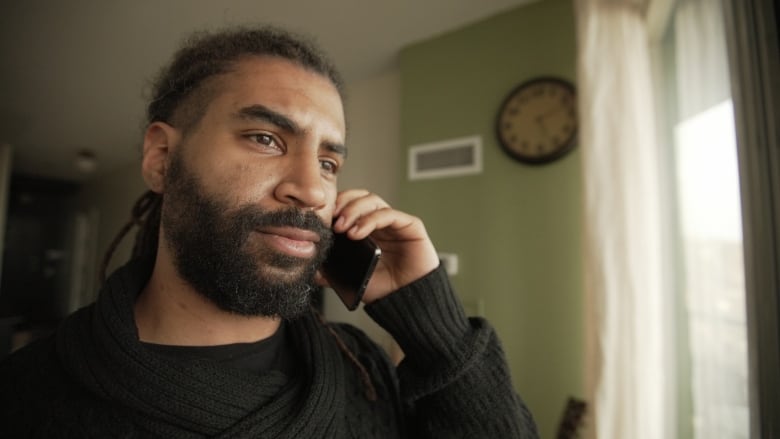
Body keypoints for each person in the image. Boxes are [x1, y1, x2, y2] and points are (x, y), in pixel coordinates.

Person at [0, 26, 539, 438]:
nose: (311, 189)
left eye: (329, 163)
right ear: (163, 157)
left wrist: (432, 324)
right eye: (265, 138)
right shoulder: (29, 397)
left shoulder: (360, 364)